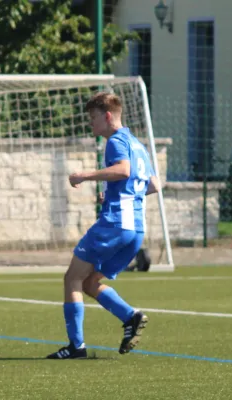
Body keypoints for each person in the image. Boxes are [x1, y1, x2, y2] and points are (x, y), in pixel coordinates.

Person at [47, 92, 160, 359]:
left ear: (107, 116)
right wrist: (114, 194)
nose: (91, 124)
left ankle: (76, 347)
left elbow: (123, 171)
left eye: (93, 118)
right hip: (134, 230)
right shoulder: (137, 144)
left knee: (72, 278)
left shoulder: (116, 141)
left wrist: (85, 175)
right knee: (89, 283)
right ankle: (131, 317)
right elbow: (154, 185)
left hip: (114, 224)